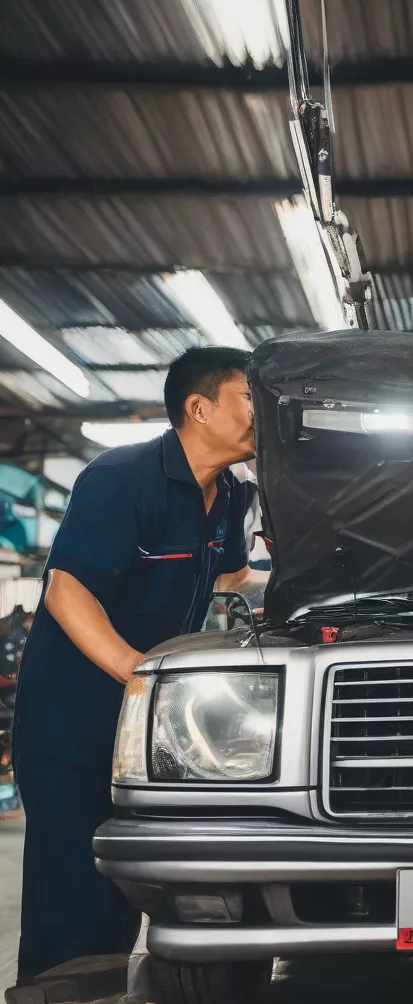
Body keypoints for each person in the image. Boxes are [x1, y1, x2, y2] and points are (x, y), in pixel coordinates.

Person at [13, 346, 268, 983]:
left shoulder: (230, 495)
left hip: (142, 728)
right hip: (70, 723)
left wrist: (304, 577)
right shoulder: (120, 477)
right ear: (199, 407)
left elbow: (230, 575)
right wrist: (138, 674)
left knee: (127, 887)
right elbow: (67, 590)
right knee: (71, 895)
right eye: (248, 399)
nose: (260, 413)